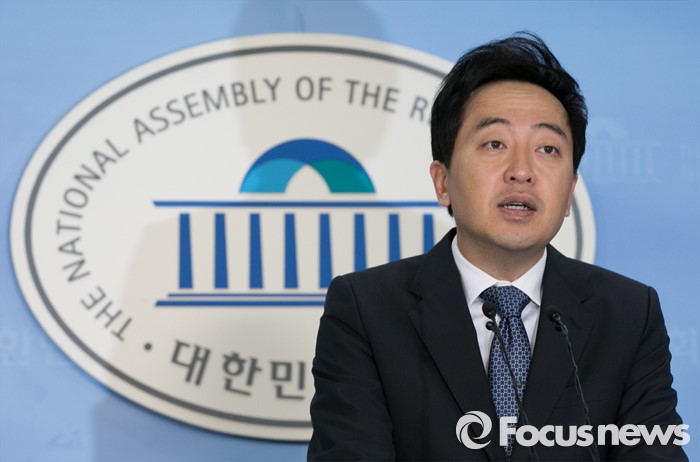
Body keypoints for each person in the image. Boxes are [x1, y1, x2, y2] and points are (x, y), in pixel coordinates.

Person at [307, 32, 686, 461]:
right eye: (495, 144)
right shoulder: (366, 310)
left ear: (569, 193)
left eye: (547, 148)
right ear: (442, 182)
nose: (521, 171)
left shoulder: (629, 315)